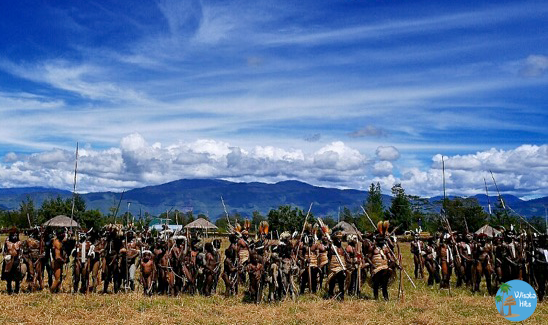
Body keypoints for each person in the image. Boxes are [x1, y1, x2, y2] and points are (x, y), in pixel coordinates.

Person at [50, 229, 66, 293]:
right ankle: (51, 291)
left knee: (59, 278)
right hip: (56, 262)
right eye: (63, 234)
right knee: (57, 279)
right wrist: (63, 260)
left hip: (58, 261)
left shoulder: (59, 242)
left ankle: (57, 291)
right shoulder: (57, 243)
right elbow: (57, 256)